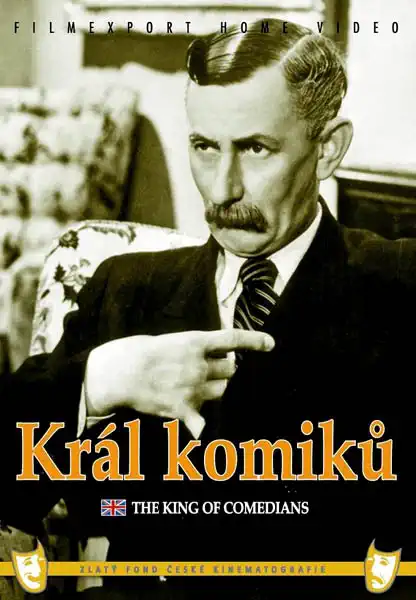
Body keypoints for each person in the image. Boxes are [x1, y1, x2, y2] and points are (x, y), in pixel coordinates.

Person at [1, 18, 416, 599]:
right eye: (203, 147)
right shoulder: (127, 286)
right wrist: (101, 380)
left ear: (327, 149)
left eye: (255, 148)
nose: (222, 190)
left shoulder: (398, 285)